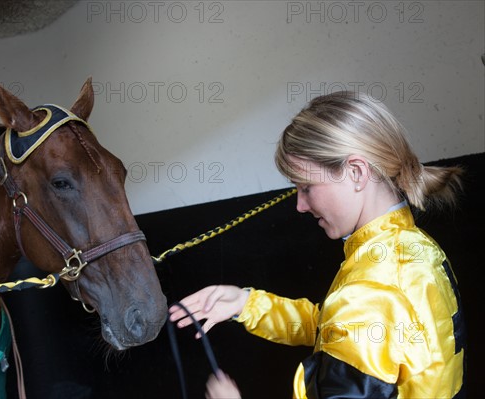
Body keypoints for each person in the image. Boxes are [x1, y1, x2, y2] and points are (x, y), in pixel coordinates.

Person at [168, 91, 466, 399]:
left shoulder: (373, 288)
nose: (300, 205)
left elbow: (356, 318)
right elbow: (340, 328)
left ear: (356, 172)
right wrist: (246, 304)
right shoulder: (415, 248)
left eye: (307, 187)